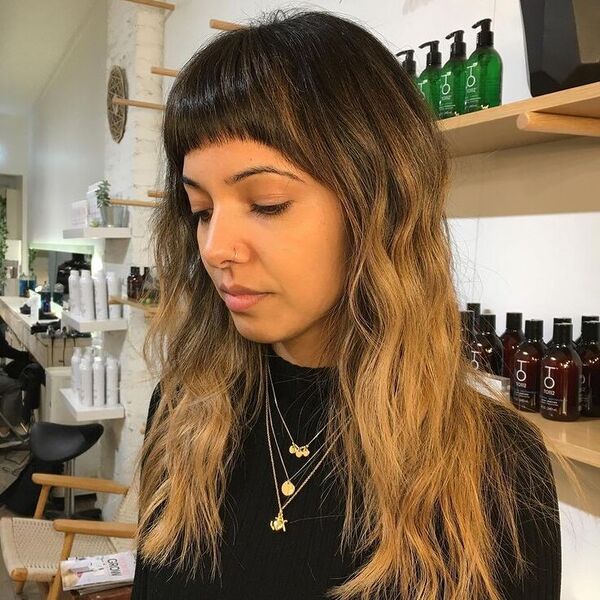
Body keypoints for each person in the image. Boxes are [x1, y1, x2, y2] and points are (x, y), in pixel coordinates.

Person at [132, 11, 561, 600]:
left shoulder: (496, 469)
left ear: (377, 205)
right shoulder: (184, 414)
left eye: (267, 203)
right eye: (202, 210)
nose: (216, 249)